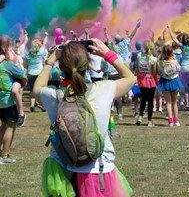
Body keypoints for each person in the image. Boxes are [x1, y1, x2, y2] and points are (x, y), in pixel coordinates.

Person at [33, 38, 136, 197]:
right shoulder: (105, 89)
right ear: (88, 65)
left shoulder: (54, 95)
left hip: (64, 169)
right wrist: (107, 54)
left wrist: (51, 59)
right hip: (98, 169)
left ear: (61, 67)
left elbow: (37, 88)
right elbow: (131, 78)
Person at [0, 34, 27, 164]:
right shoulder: (7, 64)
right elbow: (22, 74)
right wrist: (22, 83)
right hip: (7, 101)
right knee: (10, 126)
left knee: (3, 125)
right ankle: (4, 156)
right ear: (7, 45)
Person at [167, 23, 189, 109]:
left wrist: (169, 28)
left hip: (184, 68)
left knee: (186, 87)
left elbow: (174, 39)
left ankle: (187, 104)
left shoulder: (183, 47)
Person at [157, 45, 183, 126]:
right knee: (174, 102)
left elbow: (159, 72)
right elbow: (179, 69)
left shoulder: (161, 63)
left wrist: (161, 56)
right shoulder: (175, 61)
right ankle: (176, 120)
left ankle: (170, 121)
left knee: (168, 102)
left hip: (165, 82)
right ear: (172, 52)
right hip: (174, 80)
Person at [135, 40, 158, 127]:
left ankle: (140, 117)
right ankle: (149, 121)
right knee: (150, 101)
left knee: (143, 99)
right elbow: (154, 71)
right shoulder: (153, 59)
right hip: (150, 80)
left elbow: (137, 68)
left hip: (141, 78)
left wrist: (138, 76)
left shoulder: (139, 55)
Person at [23, 35, 48, 112]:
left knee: (31, 90)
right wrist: (46, 35)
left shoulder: (28, 55)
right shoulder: (40, 53)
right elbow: (44, 43)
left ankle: (32, 105)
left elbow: (25, 65)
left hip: (30, 74)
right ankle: (41, 105)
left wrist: (28, 66)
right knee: (40, 90)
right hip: (39, 74)